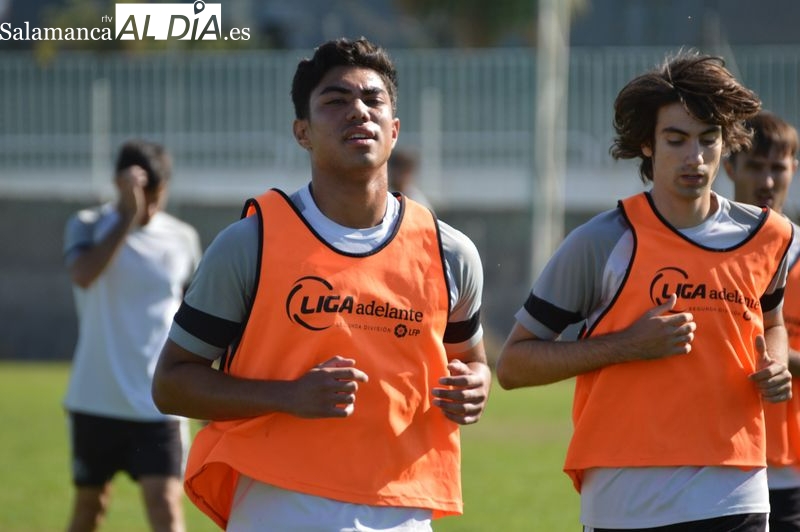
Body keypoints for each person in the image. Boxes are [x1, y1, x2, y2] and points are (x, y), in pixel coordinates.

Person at [151, 37, 491, 531]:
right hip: (280, 506)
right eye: (335, 101)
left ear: (393, 130)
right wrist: (287, 397)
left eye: (373, 100)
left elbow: (472, 364)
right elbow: (171, 383)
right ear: (302, 132)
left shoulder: (450, 252)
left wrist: (475, 388)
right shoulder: (251, 243)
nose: (358, 111)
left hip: (404, 509)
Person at [496, 50, 795, 531]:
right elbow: (513, 366)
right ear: (647, 145)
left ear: (727, 144)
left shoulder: (770, 236)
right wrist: (628, 346)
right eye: (676, 140)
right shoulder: (603, 241)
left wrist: (775, 363)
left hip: (735, 490)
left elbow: (772, 321)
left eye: (708, 140)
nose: (694, 158)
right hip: (625, 497)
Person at [63, 139, 201, 532]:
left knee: (166, 509)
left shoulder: (182, 238)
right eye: (143, 195)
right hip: (96, 399)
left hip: (159, 402)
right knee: (90, 509)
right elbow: (83, 274)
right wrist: (126, 216)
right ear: (119, 183)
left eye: (157, 197)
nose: (151, 207)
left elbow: (196, 315)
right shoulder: (87, 225)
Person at [724, 110, 800, 532]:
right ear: (730, 166)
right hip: (716, 462)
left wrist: (779, 357)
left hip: (789, 472)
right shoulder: (704, 255)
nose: (768, 182)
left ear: (794, 169)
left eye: (778, 168)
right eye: (756, 166)